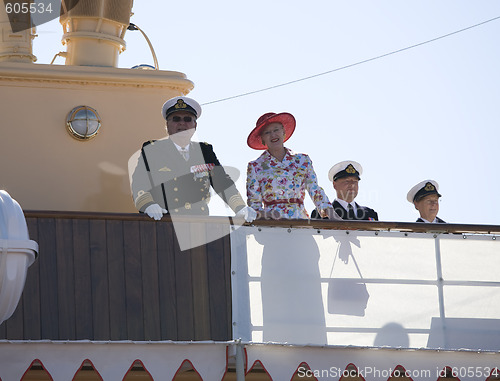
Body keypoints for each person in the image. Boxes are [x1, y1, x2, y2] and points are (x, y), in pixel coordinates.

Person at [129, 96, 256, 222]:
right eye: (176, 119)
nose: (182, 123)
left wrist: (240, 207)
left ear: (195, 125)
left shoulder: (205, 151)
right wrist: (148, 205)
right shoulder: (153, 150)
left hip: (199, 223)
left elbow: (222, 183)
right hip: (163, 222)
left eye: (188, 119)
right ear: (167, 124)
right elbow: (139, 183)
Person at [246, 112, 338, 220]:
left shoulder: (302, 160)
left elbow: (314, 189)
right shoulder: (256, 166)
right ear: (262, 139)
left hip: (300, 222)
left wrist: (328, 210)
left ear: (283, 132)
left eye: (276, 130)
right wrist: (267, 215)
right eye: (267, 132)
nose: (273, 135)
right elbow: (254, 205)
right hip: (271, 226)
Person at [312, 160, 378, 220]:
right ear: (334, 185)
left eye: (355, 181)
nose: (352, 184)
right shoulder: (321, 214)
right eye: (347, 181)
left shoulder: (370, 214)